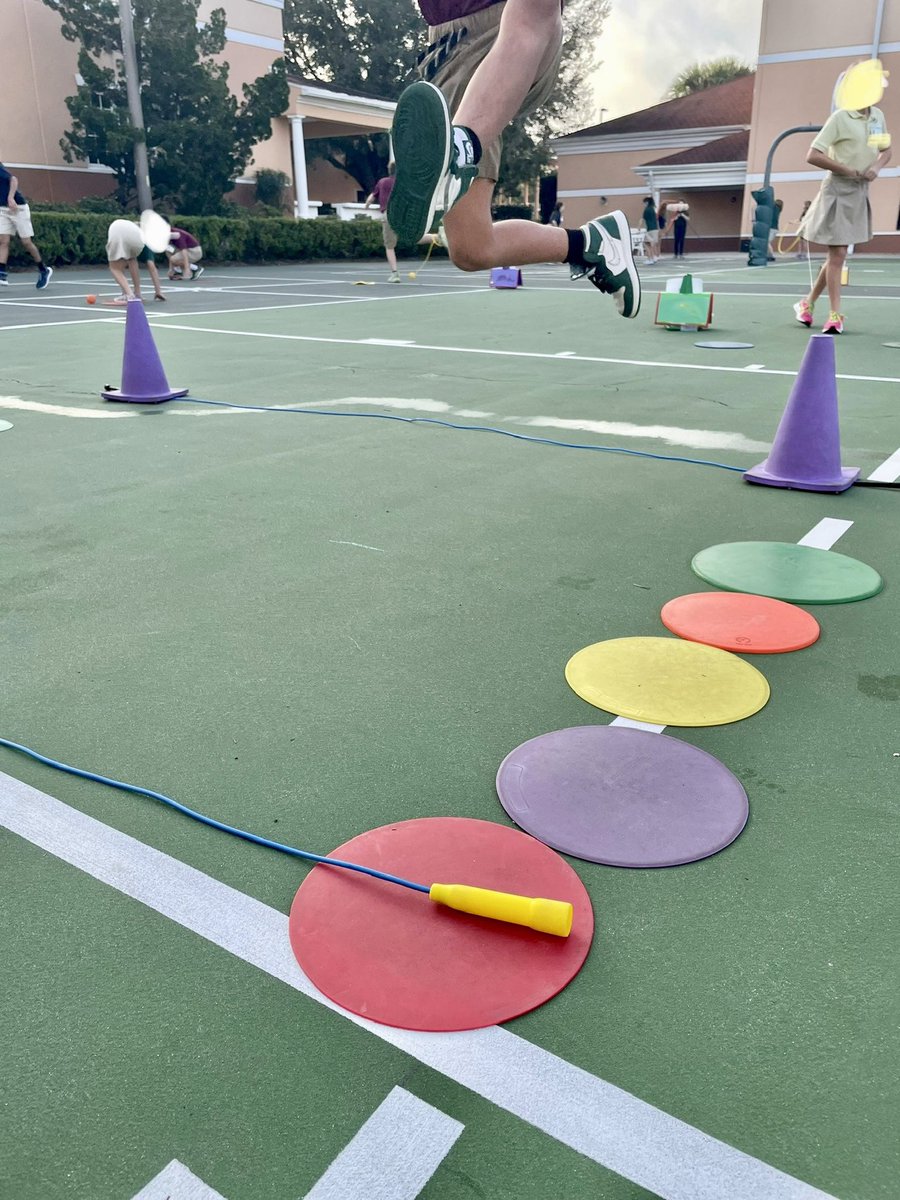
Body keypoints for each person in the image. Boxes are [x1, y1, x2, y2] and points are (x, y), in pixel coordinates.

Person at [387, 0, 640, 319]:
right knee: (471, 248)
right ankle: (589, 243)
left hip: (512, 26)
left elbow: (533, 18)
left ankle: (460, 148)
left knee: (531, 15)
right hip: (444, 50)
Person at [794, 102, 891, 334]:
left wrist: (876, 168)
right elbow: (813, 155)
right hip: (837, 188)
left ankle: (806, 304)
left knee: (835, 257)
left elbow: (886, 151)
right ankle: (835, 316)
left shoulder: (877, 116)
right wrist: (845, 169)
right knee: (838, 253)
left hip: (859, 190)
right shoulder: (840, 118)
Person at [0, 163, 53, 289]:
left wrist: (11, 198)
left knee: (26, 242)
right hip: (2, 209)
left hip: (18, 208)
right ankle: (1, 273)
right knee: (3, 241)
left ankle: (43, 270)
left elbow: (13, 179)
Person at [105, 218, 166, 305]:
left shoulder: (139, 232)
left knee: (115, 268)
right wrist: (158, 291)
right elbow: (151, 266)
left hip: (118, 229)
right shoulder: (144, 236)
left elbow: (151, 266)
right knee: (131, 259)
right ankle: (136, 294)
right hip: (133, 237)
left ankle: (129, 295)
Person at [364, 165, 402, 282]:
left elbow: (371, 197)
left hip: (388, 214)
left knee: (389, 246)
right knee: (411, 236)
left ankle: (395, 274)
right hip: (401, 213)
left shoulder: (383, 182)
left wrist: (366, 206)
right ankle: (436, 238)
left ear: (389, 170)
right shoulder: (402, 184)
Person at [641, 195, 659, 263]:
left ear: (647, 202)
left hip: (650, 230)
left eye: (644, 203)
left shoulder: (647, 210)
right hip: (655, 229)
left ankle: (650, 259)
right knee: (652, 244)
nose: (644, 204)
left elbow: (642, 219)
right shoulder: (653, 209)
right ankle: (654, 257)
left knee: (646, 243)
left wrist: (639, 227)